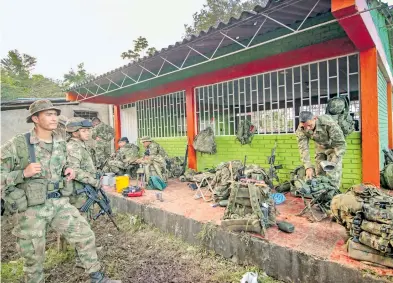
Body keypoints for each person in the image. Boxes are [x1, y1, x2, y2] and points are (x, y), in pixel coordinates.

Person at [0, 100, 121, 283]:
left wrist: (69, 170)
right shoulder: (19, 144)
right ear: (35, 118)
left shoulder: (60, 142)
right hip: (32, 209)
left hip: (59, 203)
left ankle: (97, 278)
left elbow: (62, 164)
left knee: (85, 234)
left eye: (55, 114)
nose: (54, 118)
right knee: (34, 256)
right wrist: (22, 174)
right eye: (48, 114)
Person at [295, 110, 346, 188]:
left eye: (310, 125)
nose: (307, 129)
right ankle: (320, 196)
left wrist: (334, 162)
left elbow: (340, 144)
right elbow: (303, 148)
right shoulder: (301, 128)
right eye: (305, 126)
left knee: (332, 176)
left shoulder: (328, 123)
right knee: (319, 175)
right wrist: (308, 167)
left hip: (334, 148)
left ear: (315, 118)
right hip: (320, 148)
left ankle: (333, 196)